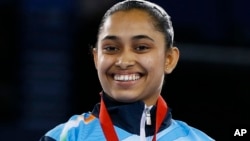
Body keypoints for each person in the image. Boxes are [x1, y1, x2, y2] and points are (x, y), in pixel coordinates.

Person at [40, 0, 215, 140]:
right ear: (96, 58)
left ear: (169, 59)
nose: (123, 61)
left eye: (141, 47)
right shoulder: (67, 137)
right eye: (111, 48)